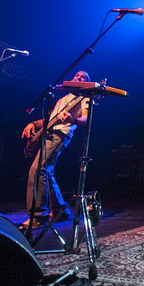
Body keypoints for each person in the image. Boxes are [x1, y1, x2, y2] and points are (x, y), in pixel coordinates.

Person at [20, 70, 90, 230]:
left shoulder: (84, 97)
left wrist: (74, 119)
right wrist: (33, 124)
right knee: (47, 172)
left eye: (84, 77)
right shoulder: (63, 98)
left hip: (60, 134)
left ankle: (39, 215)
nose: (79, 77)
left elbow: (86, 118)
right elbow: (49, 120)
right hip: (50, 132)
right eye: (77, 75)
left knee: (38, 170)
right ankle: (61, 209)